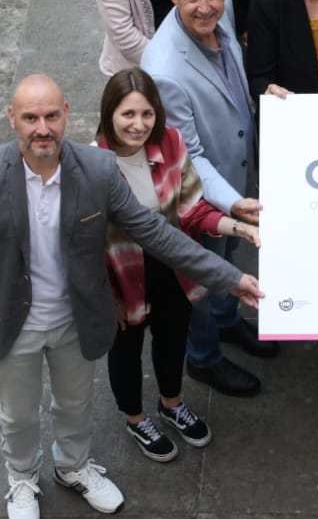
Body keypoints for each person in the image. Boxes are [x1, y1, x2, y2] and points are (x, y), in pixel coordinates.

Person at [0, 74, 263, 519]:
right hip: (12, 323)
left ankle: (73, 467)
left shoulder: (97, 169)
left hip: (76, 318)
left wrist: (229, 279)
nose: (42, 128)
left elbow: (155, 232)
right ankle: (22, 478)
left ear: (66, 113)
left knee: (76, 405)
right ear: (12, 119)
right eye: (30, 118)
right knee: (17, 414)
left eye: (51, 116)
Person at [94, 68, 261, 463]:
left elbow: (193, 210)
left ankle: (172, 404)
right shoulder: (92, 165)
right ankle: (135, 418)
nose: (138, 125)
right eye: (128, 114)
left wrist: (241, 227)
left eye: (146, 114)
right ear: (109, 114)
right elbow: (85, 244)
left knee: (172, 337)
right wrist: (107, 297)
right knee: (125, 349)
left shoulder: (170, 142)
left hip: (172, 263)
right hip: (120, 274)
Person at [142, 0, 277, 400]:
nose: (205, 7)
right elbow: (188, 155)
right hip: (199, 196)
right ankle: (203, 357)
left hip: (237, 170)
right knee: (199, 279)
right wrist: (232, 202)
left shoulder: (225, 9)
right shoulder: (164, 71)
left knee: (229, 255)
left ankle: (227, 320)